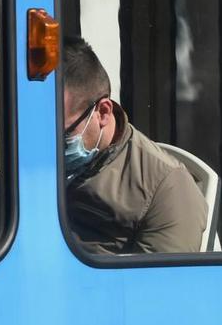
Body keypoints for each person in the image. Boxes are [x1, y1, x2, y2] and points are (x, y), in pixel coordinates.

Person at [62, 36, 207, 254]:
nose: (50, 144)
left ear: (103, 112)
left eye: (63, 133)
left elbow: (161, 283)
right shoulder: (30, 160)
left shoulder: (167, 187)